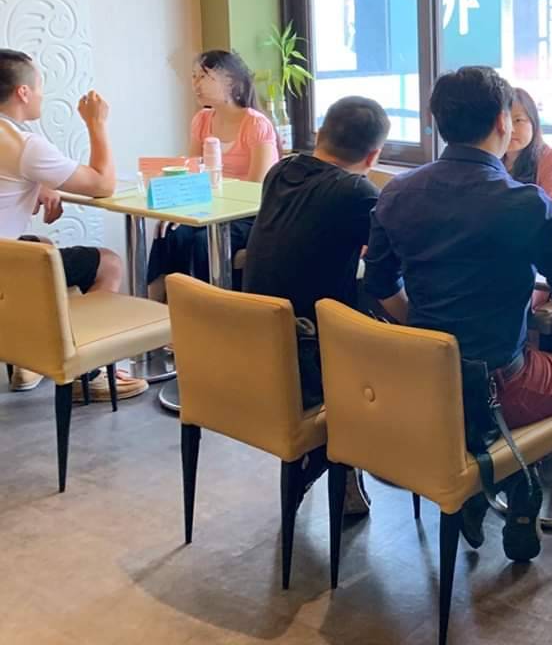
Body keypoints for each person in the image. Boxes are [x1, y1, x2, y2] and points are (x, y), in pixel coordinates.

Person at [363, 66, 552, 558]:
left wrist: (432, 344)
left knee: (498, 390)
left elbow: (380, 285)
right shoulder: (525, 203)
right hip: (502, 382)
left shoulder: (397, 191)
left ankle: (488, 478)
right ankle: (510, 476)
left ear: (437, 122)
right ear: (501, 121)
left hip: (419, 381)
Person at [242, 97, 389, 518]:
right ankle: (351, 456)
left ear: (319, 134)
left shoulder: (281, 171)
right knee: (396, 334)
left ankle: (345, 471)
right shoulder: (356, 192)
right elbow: (389, 257)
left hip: (256, 343)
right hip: (308, 355)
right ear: (373, 156)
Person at [0, 49, 147, 401]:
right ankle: (88, 373)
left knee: (43, 248)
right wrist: (96, 124)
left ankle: (29, 359)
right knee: (108, 263)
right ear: (23, 92)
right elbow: (102, 183)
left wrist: (37, 183)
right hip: (4, 268)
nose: (43, 94)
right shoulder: (24, 145)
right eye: (40, 86)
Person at [147, 50, 279, 294]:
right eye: (194, 77)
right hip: (210, 209)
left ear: (231, 82)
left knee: (203, 242)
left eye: (204, 77)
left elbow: (256, 189)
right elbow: (192, 174)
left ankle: (209, 305)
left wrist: (213, 208)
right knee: (169, 232)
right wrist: (179, 211)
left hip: (250, 216)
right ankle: (159, 305)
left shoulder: (256, 124)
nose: (196, 85)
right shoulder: (202, 120)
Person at [503, 87, 552, 209]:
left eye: (518, 120)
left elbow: (549, 215)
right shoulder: (490, 160)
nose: (510, 129)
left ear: (534, 122)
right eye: (504, 121)